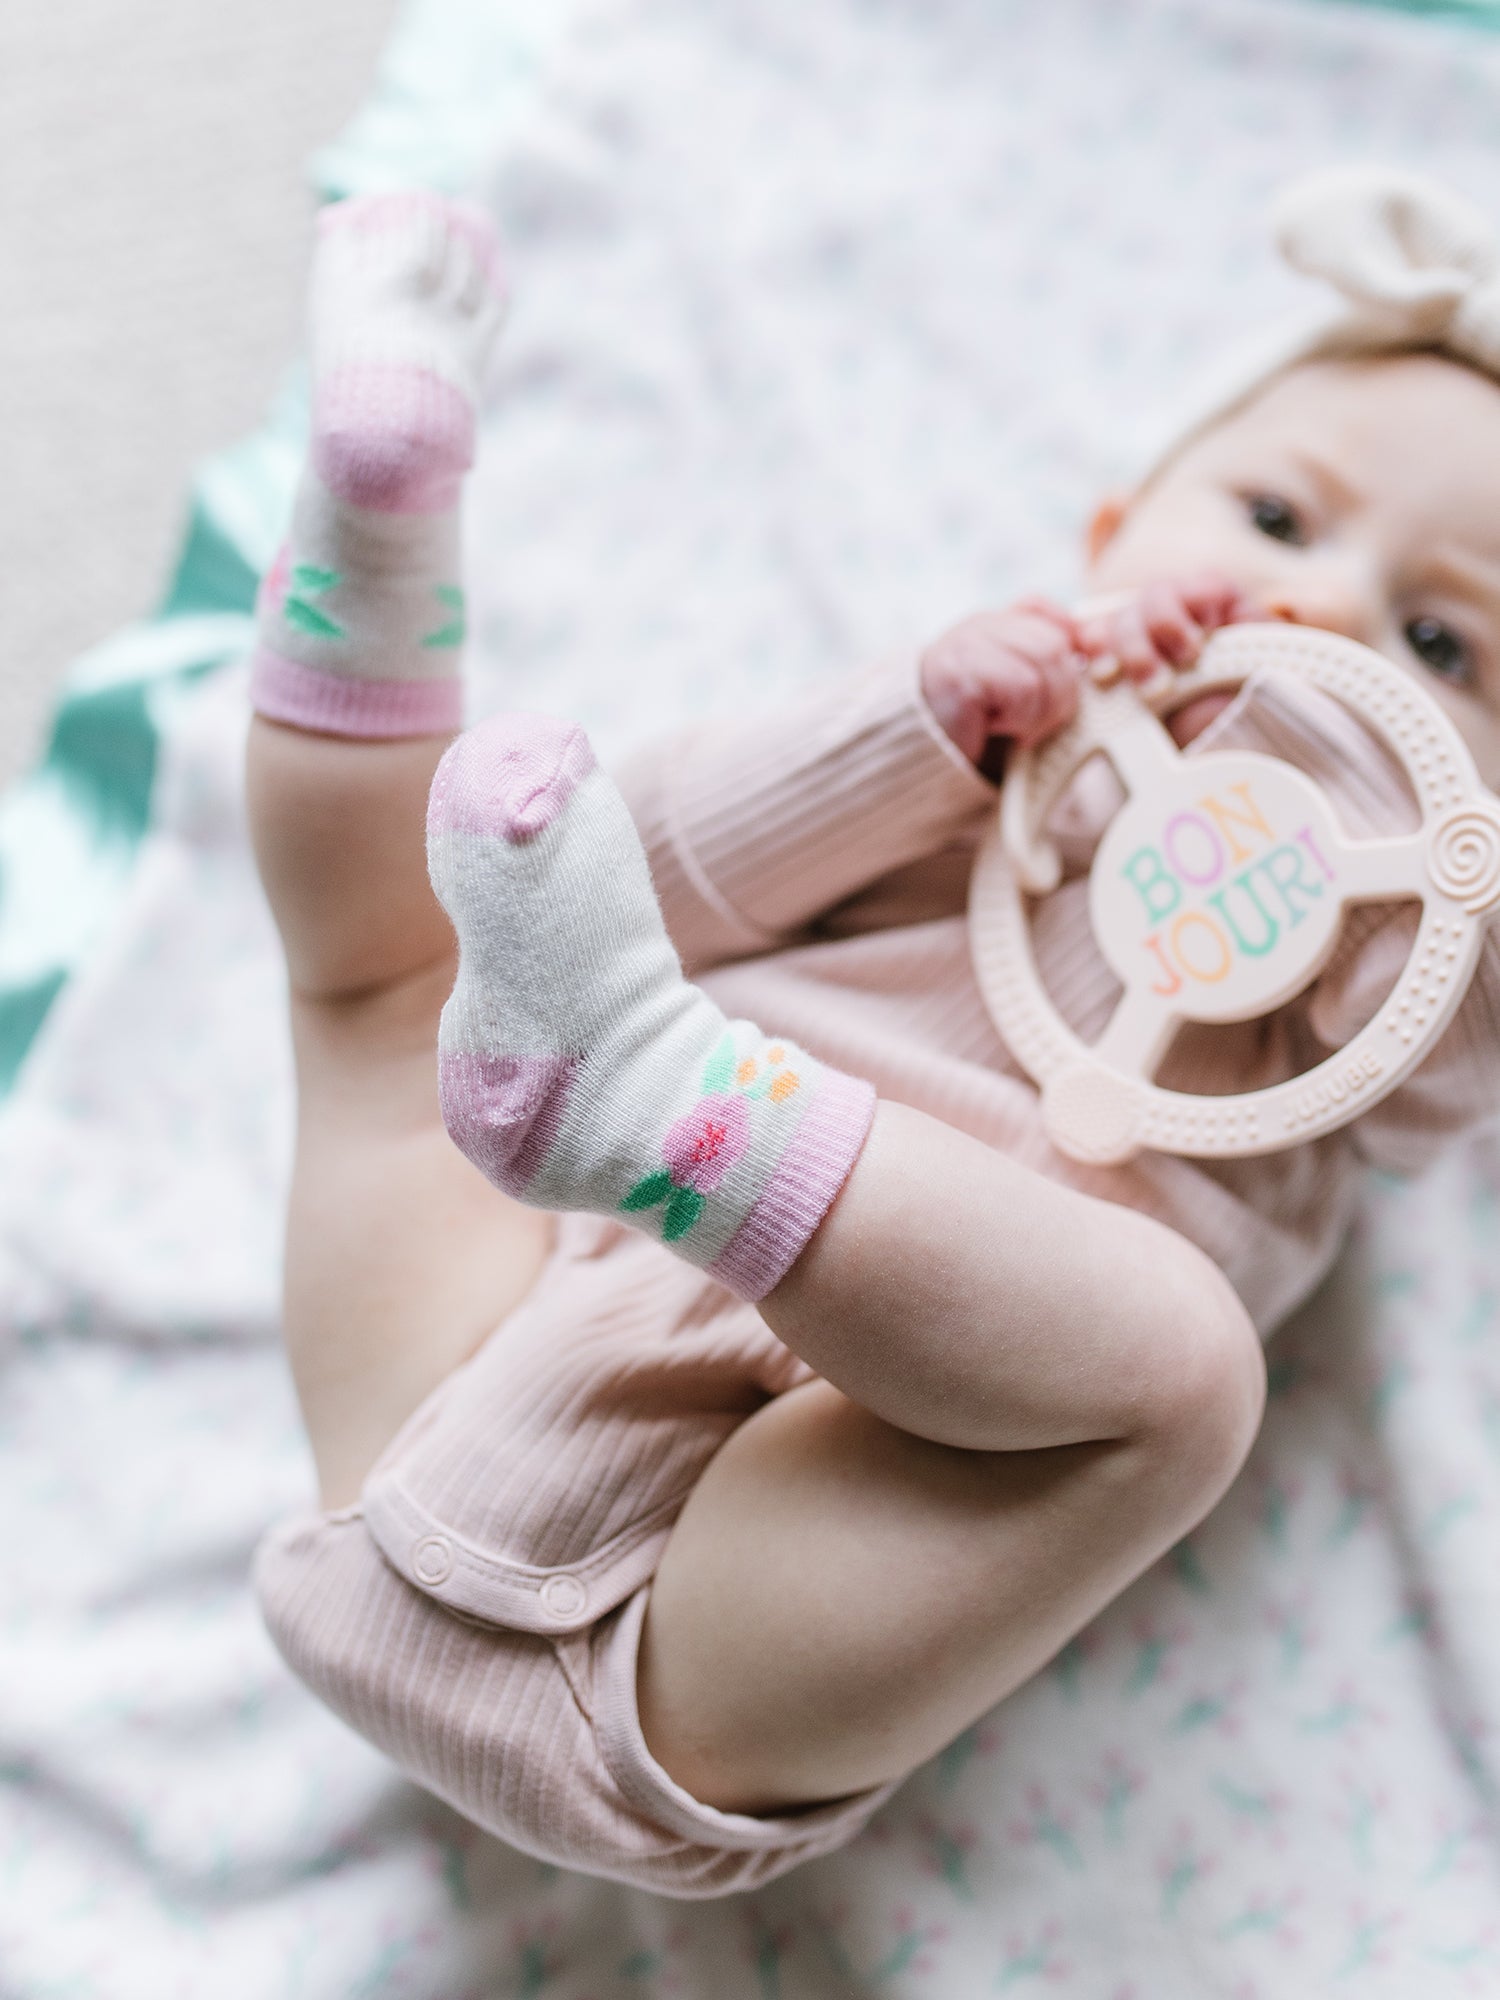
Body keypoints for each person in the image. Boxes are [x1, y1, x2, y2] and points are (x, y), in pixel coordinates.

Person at [247, 168, 1500, 1896]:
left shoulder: (1387, 982)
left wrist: (1383, 828)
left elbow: (1453, 1047)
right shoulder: (985, 767)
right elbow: (651, 868)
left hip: (692, 1646)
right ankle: (384, 511)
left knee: (1176, 1382)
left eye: (1443, 643)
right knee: (392, 964)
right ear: (1114, 532)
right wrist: (916, 731)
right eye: (1278, 519)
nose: (1324, 613)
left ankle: (667, 1101)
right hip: (466, 1335)